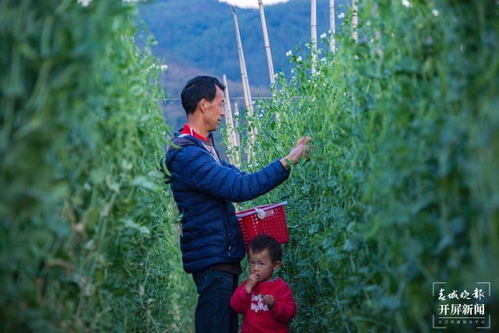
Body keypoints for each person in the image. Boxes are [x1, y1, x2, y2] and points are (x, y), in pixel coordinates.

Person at [164, 75, 310, 333]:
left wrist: (284, 161)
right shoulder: (187, 154)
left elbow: (241, 178)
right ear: (203, 105)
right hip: (212, 260)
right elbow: (240, 188)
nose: (223, 112)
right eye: (220, 104)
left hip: (222, 257)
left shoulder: (204, 148)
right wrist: (287, 162)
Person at [230, 234, 297, 333]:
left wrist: (274, 305)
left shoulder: (281, 287)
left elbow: (289, 314)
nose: (255, 268)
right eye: (252, 262)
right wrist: (247, 288)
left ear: (275, 265)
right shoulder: (248, 285)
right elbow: (236, 306)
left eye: (261, 263)